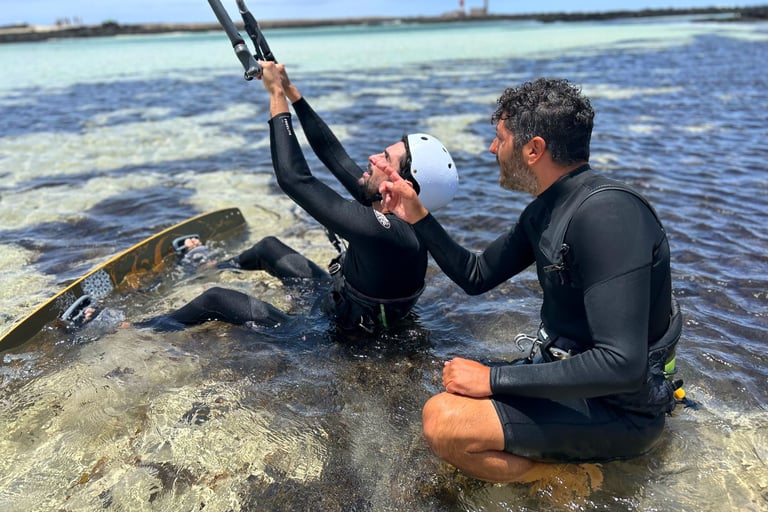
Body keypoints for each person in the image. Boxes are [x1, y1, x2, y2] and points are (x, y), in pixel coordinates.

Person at [379, 77, 681, 482]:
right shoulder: (545, 211)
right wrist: (417, 215)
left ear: (534, 149)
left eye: (499, 138)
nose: (491, 149)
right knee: (449, 382)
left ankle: (568, 480)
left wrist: (493, 378)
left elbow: (621, 365)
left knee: (443, 420)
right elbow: (476, 275)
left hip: (623, 410)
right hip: (578, 384)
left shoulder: (609, 215)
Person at [139, 61, 459, 334]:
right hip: (336, 299)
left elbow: (294, 179)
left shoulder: (390, 234)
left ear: (404, 184)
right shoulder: (399, 212)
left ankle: (143, 331)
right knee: (268, 248)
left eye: (386, 159)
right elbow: (335, 156)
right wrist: (292, 92)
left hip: (328, 335)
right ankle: (209, 265)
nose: (374, 158)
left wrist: (275, 96)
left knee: (217, 300)